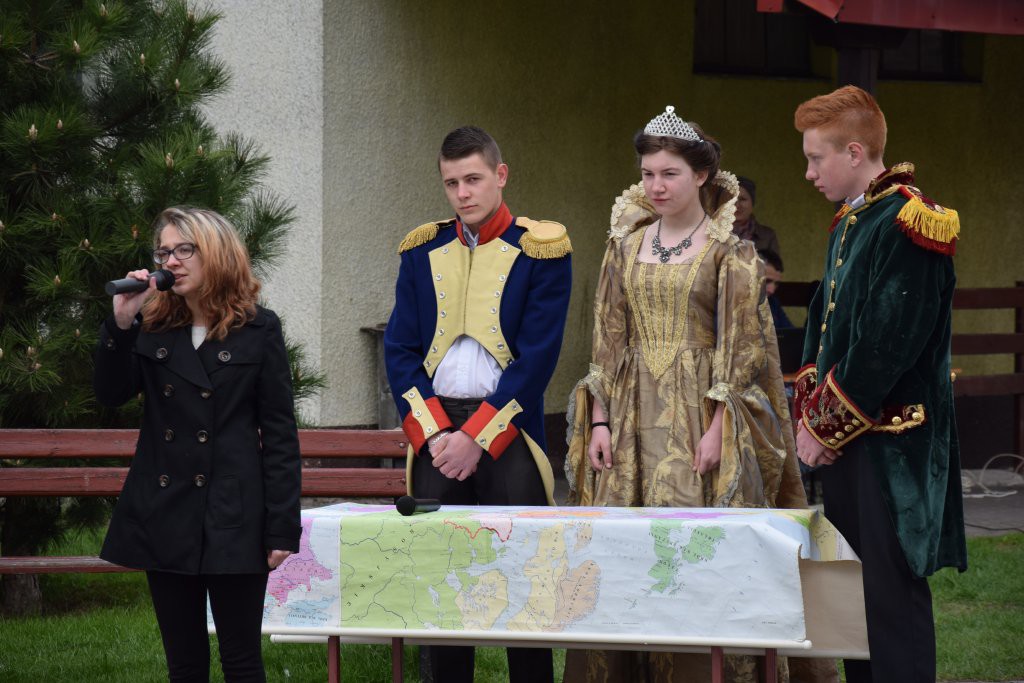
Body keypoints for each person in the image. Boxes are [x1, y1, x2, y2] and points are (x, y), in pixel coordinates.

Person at [563, 106, 808, 683]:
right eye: (648, 174)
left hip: (700, 413)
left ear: (700, 176)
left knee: (696, 550)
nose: (656, 185)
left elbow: (741, 345)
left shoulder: (729, 251)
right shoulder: (625, 245)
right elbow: (608, 339)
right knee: (625, 552)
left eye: (669, 173)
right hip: (630, 415)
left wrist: (720, 426)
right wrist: (599, 421)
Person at [384, 126, 572, 683]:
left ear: (500, 175)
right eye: (452, 183)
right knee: (443, 585)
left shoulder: (541, 249)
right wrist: (437, 435)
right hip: (438, 433)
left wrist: (477, 437)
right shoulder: (422, 250)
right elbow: (400, 349)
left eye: (473, 179)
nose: (463, 193)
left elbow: (537, 359)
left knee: (525, 582)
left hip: (510, 432)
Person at [792, 85, 967, 682]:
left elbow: (885, 344)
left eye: (816, 158)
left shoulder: (910, 221)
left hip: (894, 442)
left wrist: (822, 428)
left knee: (891, 599)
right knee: (856, 598)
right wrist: (811, 416)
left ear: (854, 151)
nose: (809, 172)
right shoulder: (855, 219)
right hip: (849, 441)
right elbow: (825, 328)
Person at [94, 207, 302, 683]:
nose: (171, 261)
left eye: (185, 249)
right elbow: (110, 394)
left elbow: (279, 434)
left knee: (241, 660)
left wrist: (281, 527)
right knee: (184, 663)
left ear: (217, 254)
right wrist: (121, 323)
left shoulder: (259, 329)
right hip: (166, 509)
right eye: (164, 252)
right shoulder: (152, 326)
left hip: (234, 512)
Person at [732, 176, 782, 257]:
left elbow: (774, 265)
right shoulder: (714, 234)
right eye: (731, 199)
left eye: (742, 199)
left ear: (752, 203)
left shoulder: (767, 236)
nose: (737, 205)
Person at [758, 248, 796, 330]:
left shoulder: (772, 302)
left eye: (776, 284)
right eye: (767, 281)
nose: (772, 290)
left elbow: (790, 333)